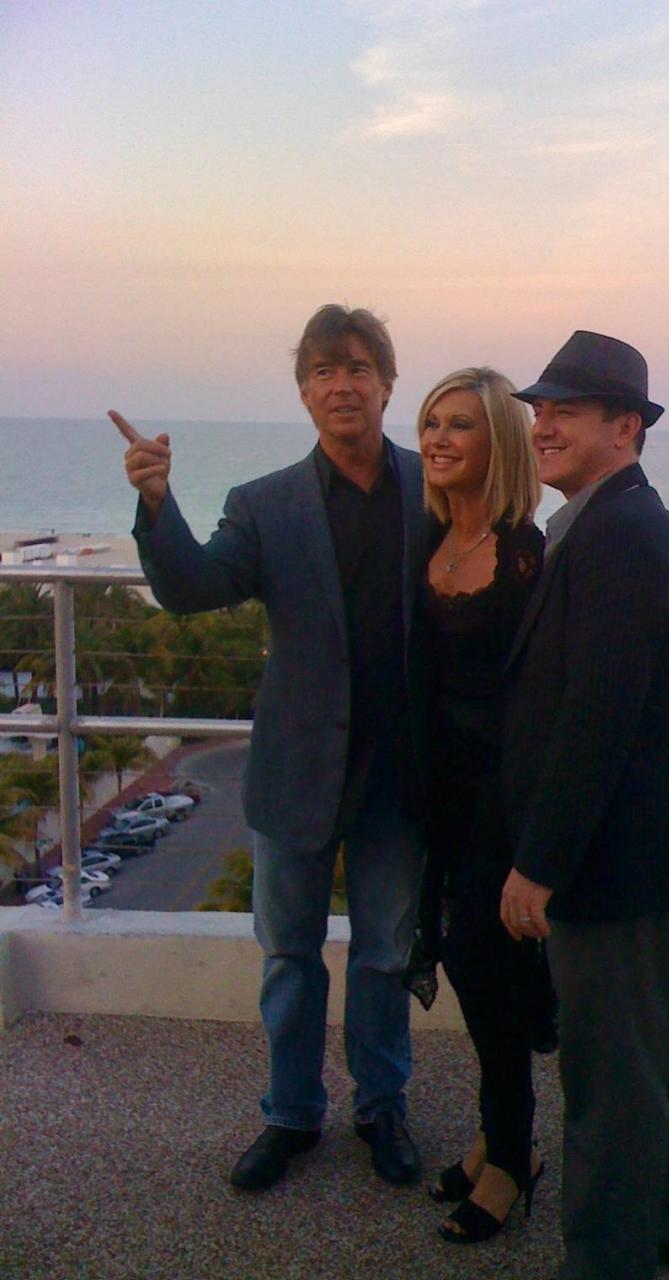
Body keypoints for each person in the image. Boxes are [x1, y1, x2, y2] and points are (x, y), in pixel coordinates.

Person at [109, 304, 429, 1192]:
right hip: (295, 773)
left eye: (359, 368)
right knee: (289, 956)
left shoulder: (434, 490)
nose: (342, 384)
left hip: (399, 777)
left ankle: (382, 1107)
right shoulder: (265, 504)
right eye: (324, 371)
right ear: (304, 393)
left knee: (382, 956)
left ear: (387, 384)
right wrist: (155, 503)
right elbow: (189, 588)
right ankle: (291, 1115)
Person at [498, 331, 669, 1280]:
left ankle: (606, 1262)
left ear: (626, 429)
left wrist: (539, 863)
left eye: (565, 409)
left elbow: (601, 714)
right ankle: (659, 1229)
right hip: (627, 849)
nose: (541, 422)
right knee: (636, 1058)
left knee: (607, 1082)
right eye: (539, 407)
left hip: (613, 857)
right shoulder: (607, 524)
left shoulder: (623, 533)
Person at [405, 367, 547, 1245]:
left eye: (460, 425)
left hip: (503, 791)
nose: (438, 438)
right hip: (439, 794)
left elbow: (544, 691)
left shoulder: (523, 550)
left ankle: (514, 1158)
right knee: (469, 968)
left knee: (486, 969)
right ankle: (500, 1136)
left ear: (497, 442)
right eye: (429, 422)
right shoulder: (424, 538)